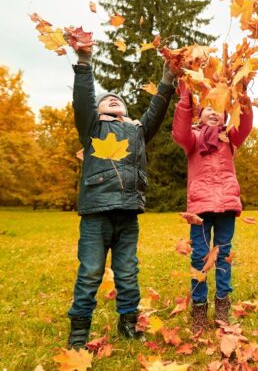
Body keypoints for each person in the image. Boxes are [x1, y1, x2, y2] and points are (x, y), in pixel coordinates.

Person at [67, 48, 176, 349]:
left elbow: (156, 110)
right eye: (107, 99)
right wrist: (84, 63)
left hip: (128, 213)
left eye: (119, 100)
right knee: (90, 271)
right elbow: (83, 101)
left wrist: (167, 78)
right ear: (98, 110)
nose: (113, 98)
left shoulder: (137, 131)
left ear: (127, 112)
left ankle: (128, 323)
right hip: (96, 213)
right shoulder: (92, 128)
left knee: (128, 272)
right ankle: (78, 333)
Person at [172, 82, 253, 332]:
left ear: (225, 115)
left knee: (224, 255)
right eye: (207, 108)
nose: (213, 112)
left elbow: (245, 125)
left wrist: (242, 96)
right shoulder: (193, 139)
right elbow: (179, 131)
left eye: (218, 107)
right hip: (200, 206)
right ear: (199, 114)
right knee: (199, 256)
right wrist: (186, 96)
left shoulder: (229, 138)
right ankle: (199, 307)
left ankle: (222, 306)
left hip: (227, 204)